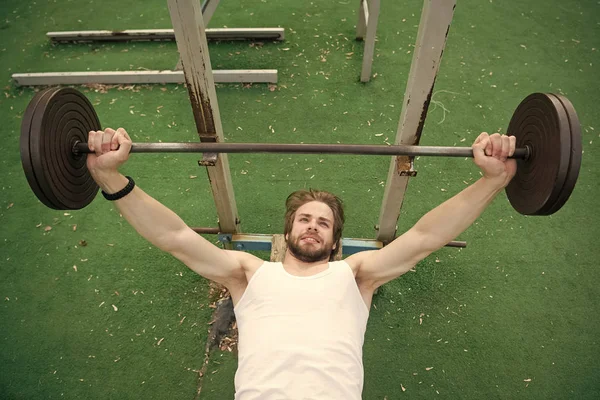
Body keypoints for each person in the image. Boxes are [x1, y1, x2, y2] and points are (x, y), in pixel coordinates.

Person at [86, 128, 516, 400]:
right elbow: (175, 238)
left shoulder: (358, 274)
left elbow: (425, 238)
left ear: (334, 240)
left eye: (323, 223)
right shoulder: (248, 274)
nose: (313, 227)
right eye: (304, 219)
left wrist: (492, 179)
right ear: (288, 231)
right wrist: (110, 177)